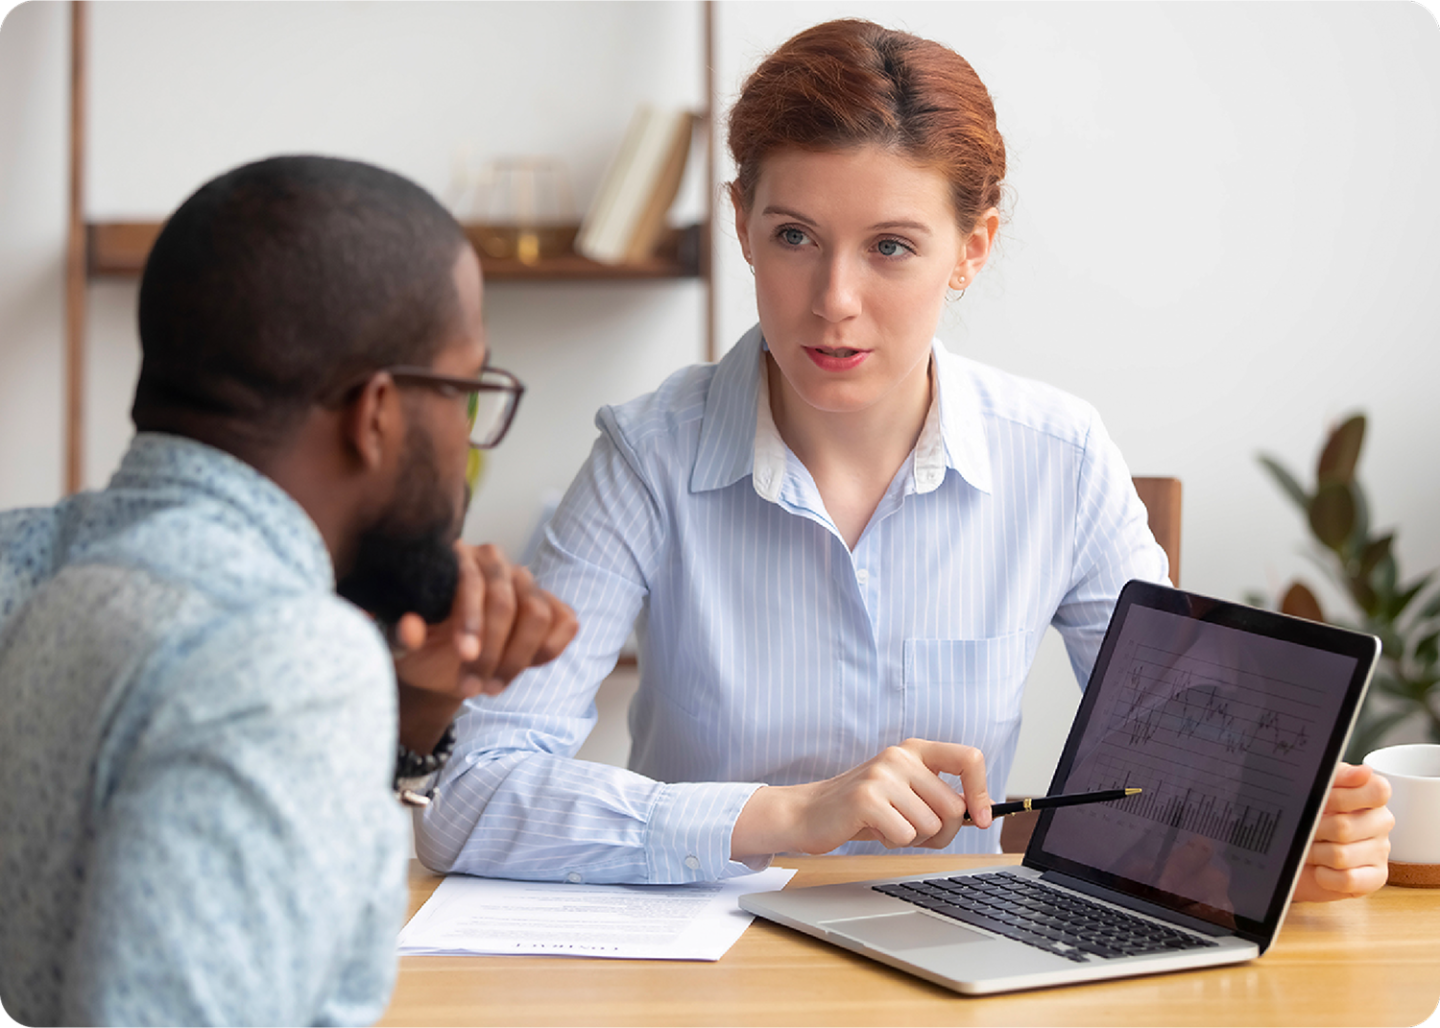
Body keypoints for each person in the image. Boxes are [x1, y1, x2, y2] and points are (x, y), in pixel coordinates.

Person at [415, 19, 1392, 900]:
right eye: (794, 234)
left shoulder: (1060, 458)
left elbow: (1189, 781)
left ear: (971, 250)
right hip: (707, 970)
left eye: (891, 246)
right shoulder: (646, 457)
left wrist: (1281, 839)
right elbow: (475, 795)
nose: (833, 298)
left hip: (961, 961)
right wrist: (788, 815)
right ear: (741, 220)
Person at [0, 156, 576, 1027]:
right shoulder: (286, 654)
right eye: (462, 392)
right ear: (375, 411)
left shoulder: (22, 560)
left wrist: (402, 717)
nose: (465, 439)